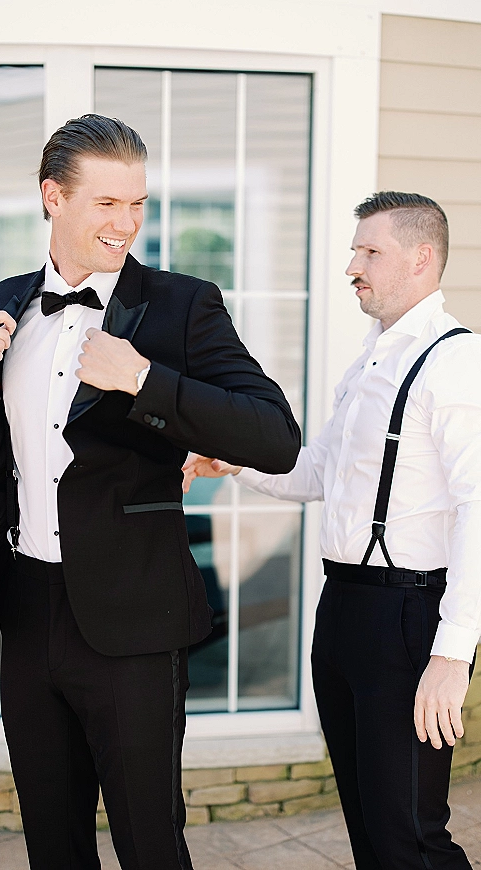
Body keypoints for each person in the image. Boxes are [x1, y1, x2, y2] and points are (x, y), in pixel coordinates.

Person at [0, 114, 301, 870]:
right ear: (53, 197)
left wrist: (146, 379)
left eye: (138, 204)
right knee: (51, 840)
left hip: (135, 623)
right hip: (24, 606)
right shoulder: (6, 299)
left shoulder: (182, 306)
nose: (126, 224)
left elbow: (276, 436)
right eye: (106, 204)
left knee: (150, 842)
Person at [183, 191, 481, 869]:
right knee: (369, 825)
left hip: (409, 617)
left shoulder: (457, 362)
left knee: (411, 833)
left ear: (421, 258)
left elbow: (478, 510)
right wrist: (235, 464)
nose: (353, 265)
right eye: (355, 250)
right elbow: (321, 472)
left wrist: (451, 654)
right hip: (345, 607)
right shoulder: (373, 356)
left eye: (370, 251)